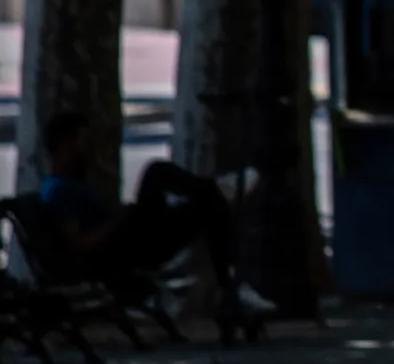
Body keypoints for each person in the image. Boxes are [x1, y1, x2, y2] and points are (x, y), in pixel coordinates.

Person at [30, 110, 258, 337]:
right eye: (85, 142)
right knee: (156, 172)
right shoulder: (61, 192)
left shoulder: (66, 184)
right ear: (66, 145)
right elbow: (78, 245)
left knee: (206, 207)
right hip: (118, 254)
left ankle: (228, 280)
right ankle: (216, 192)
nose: (91, 149)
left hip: (127, 244)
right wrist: (117, 221)